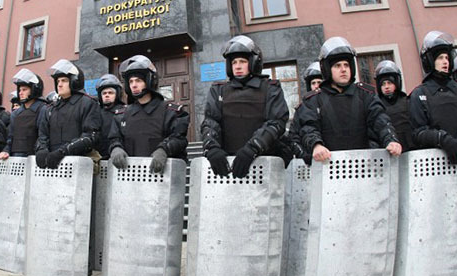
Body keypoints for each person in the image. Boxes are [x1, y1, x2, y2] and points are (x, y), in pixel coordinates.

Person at [298, 37, 402, 161]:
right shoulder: (314, 100)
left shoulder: (366, 95)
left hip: (365, 165)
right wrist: (316, 144)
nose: (343, 69)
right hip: (329, 166)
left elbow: (380, 120)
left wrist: (391, 140)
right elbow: (309, 127)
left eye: (346, 65)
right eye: (337, 66)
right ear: (327, 69)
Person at [200, 36, 289, 177]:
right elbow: (211, 121)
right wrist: (211, 148)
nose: (238, 66)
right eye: (234, 62)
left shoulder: (270, 88)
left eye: (243, 61)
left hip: (262, 163)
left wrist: (253, 148)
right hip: (228, 165)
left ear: (253, 62)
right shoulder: (219, 90)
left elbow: (276, 122)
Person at [108, 55, 189, 174]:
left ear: (150, 81)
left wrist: (164, 149)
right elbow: (114, 138)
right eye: (130, 81)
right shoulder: (121, 115)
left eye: (138, 80)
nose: (133, 85)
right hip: (130, 177)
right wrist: (116, 148)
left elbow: (179, 138)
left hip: (163, 177)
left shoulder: (171, 112)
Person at [410, 31, 457, 164]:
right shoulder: (419, 94)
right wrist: (442, 139)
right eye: (440, 58)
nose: (445, 62)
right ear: (430, 60)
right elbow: (418, 132)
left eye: (447, 58)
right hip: (435, 165)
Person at [35, 60, 101, 169]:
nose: (59, 84)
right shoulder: (50, 108)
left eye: (64, 81)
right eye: (58, 81)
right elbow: (42, 135)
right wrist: (41, 149)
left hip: (79, 165)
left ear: (74, 81)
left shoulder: (87, 103)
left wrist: (64, 151)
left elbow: (91, 135)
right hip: (53, 165)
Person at [0, 69, 46, 160]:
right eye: (19, 90)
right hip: (15, 159)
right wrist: (6, 151)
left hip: (33, 159)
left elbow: (43, 137)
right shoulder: (16, 114)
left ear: (34, 90)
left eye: (24, 89)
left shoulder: (43, 110)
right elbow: (10, 138)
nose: (20, 93)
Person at [375, 60, 414, 152]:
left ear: (396, 83)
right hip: (388, 150)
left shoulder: (408, 101)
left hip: (410, 150)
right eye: (383, 84)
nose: (386, 87)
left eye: (389, 83)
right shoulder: (376, 105)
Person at [288, 62, 323, 164]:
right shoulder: (302, 108)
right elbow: (293, 136)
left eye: (319, 82)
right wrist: (303, 154)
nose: (316, 86)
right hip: (312, 160)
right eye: (313, 83)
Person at [95, 74, 125, 159]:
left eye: (110, 93)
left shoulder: (124, 111)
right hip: (100, 157)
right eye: (104, 93)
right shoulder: (95, 113)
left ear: (117, 94)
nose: (107, 95)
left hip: (119, 157)